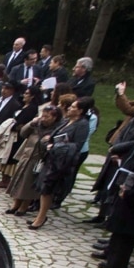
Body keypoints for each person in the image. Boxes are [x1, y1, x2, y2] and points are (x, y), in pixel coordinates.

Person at [87, 133, 134, 268]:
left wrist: (131, 192)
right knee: (118, 233)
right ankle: (111, 264)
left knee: (124, 239)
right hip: (128, 191)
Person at [29, 96, 91, 228]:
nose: (69, 108)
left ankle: (41, 217)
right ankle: (40, 214)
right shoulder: (67, 121)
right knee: (43, 186)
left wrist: (57, 146)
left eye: (73, 107)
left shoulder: (82, 125)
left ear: (80, 111)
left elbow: (77, 145)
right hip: (51, 158)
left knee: (48, 188)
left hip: (61, 162)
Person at [5, 103, 61, 217]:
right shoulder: (37, 125)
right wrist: (31, 123)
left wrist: (47, 141)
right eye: (43, 116)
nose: (44, 119)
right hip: (26, 155)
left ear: (54, 118)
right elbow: (23, 133)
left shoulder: (56, 130)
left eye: (47, 117)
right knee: (19, 180)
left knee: (29, 184)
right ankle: (16, 203)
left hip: (38, 160)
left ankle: (24, 206)